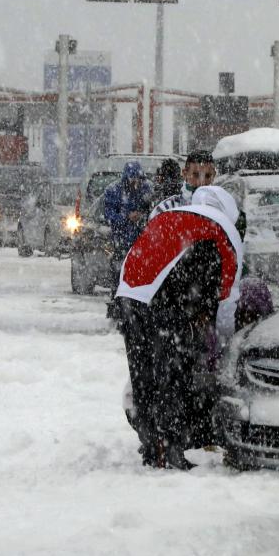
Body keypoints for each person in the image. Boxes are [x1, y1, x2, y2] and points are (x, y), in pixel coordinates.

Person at [114, 186, 244, 469]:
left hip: (128, 295)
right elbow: (227, 297)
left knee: (144, 377)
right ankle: (171, 450)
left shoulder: (170, 215)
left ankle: (152, 449)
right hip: (167, 306)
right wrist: (225, 342)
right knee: (173, 379)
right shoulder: (223, 229)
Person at [103, 161, 152, 282]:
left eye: (138, 179)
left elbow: (154, 209)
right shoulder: (113, 190)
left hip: (142, 242)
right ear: (126, 178)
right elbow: (109, 215)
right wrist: (126, 217)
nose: (136, 183)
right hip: (121, 241)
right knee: (119, 273)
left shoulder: (147, 189)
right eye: (133, 179)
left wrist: (143, 216)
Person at [150, 150, 217, 219]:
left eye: (208, 176)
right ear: (185, 174)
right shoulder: (165, 208)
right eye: (196, 175)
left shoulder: (219, 209)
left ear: (214, 175)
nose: (202, 182)